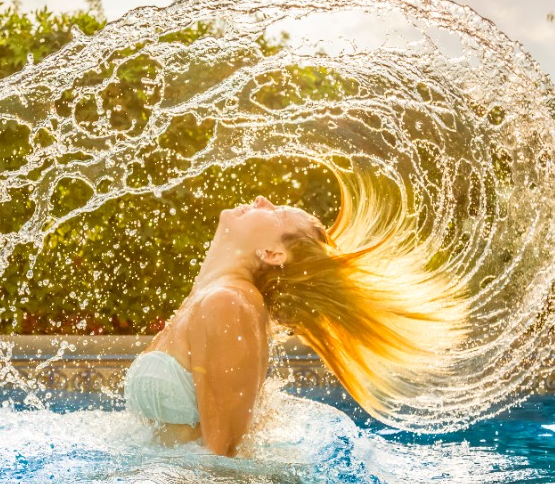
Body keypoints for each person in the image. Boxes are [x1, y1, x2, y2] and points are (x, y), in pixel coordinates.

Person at [123, 172, 468, 457]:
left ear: (273, 254)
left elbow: (223, 460)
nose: (261, 200)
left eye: (277, 213)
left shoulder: (228, 305)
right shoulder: (213, 298)